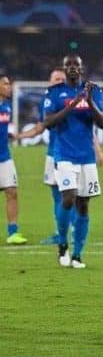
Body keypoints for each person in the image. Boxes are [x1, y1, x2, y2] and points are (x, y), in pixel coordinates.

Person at [16, 69, 103, 245]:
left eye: (61, 78)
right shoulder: (49, 100)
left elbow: (89, 129)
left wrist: (98, 150)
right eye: (55, 78)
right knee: (59, 196)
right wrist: (19, 136)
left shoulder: (76, 98)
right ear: (50, 81)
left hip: (73, 155)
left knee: (73, 196)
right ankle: (61, 231)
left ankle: (69, 230)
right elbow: (42, 126)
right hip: (54, 153)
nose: (58, 80)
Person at [43, 55, 103, 269]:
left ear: (81, 68)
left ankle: (78, 254)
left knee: (83, 205)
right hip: (63, 155)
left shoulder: (93, 91)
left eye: (75, 65)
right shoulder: (55, 93)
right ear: (64, 68)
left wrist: (88, 102)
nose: (71, 68)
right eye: (68, 65)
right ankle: (62, 243)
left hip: (86, 157)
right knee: (68, 199)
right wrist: (72, 105)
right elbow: (48, 122)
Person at [0, 75, 27, 245]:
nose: (9, 86)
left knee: (12, 192)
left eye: (9, 84)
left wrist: (8, 135)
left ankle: (13, 232)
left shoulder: (7, 107)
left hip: (5, 156)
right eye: (5, 84)